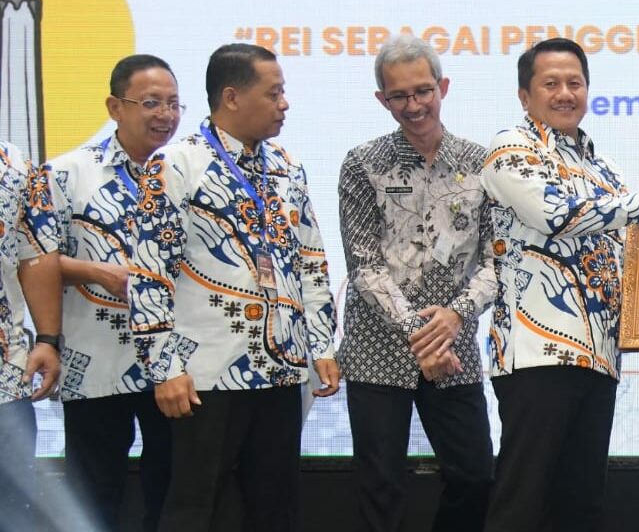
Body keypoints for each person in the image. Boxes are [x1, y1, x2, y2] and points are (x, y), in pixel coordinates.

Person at [127, 43, 340, 532]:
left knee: (276, 506)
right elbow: (150, 272)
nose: (284, 103)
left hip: (282, 369)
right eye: (274, 93)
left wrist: (322, 345)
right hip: (207, 375)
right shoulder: (175, 165)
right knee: (197, 507)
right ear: (232, 96)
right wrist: (165, 368)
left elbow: (310, 260)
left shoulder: (285, 165)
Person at [475, 37, 639, 531]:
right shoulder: (511, 149)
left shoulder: (602, 168)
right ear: (525, 96)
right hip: (538, 357)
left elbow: (625, 261)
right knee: (523, 503)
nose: (565, 93)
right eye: (551, 83)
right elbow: (555, 214)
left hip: (599, 359)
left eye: (575, 82)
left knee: (581, 506)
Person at [337, 34, 495, 532]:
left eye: (423, 91)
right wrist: (418, 332)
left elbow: (497, 261)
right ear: (382, 99)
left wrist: (455, 315)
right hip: (378, 346)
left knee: (476, 475)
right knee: (380, 488)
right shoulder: (362, 163)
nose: (413, 105)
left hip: (454, 342)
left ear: (442, 88)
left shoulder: (482, 164)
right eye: (399, 96)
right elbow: (363, 264)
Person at [30, 54, 179, 532]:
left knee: (173, 491)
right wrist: (95, 272)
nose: (165, 115)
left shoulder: (187, 173)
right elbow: (33, 259)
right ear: (115, 107)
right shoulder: (66, 173)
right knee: (94, 494)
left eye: (174, 103)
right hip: (94, 361)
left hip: (174, 364)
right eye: (151, 103)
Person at [0, 140, 61, 532]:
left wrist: (48, 339)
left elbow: (36, 256)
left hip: (5, 378)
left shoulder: (15, 165)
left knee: (11, 509)